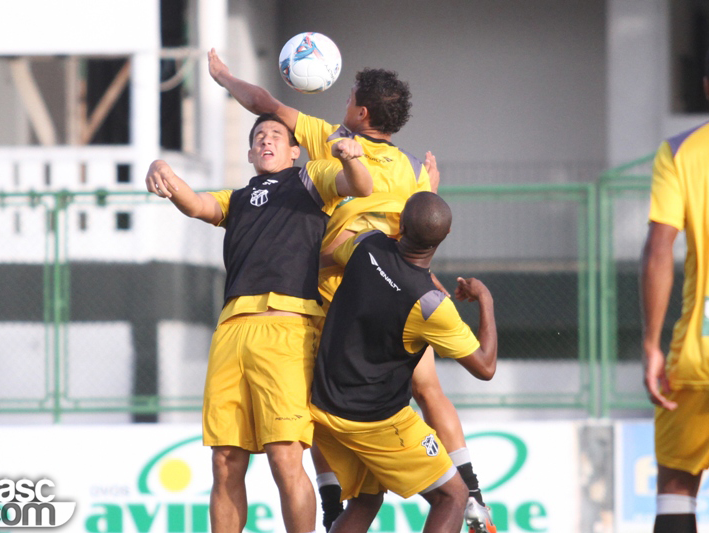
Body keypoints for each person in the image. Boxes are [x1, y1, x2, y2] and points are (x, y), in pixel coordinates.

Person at [208, 50, 495, 533]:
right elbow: (420, 235)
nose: (343, 100)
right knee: (427, 387)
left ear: (361, 113)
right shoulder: (408, 167)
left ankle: (331, 504)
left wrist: (224, 77)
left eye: (350, 97)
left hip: (337, 285)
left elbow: (263, 101)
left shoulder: (329, 137)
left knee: (319, 399)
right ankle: (472, 496)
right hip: (399, 290)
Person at [146, 113, 373, 533]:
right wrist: (162, 170)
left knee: (285, 454)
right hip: (231, 330)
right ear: (250, 152)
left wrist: (350, 157)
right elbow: (195, 203)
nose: (266, 140)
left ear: (293, 150)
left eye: (276, 135)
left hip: (286, 330)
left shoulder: (310, 179)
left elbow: (360, 186)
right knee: (225, 460)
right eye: (258, 137)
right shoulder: (236, 198)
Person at [310, 192, 498, 533]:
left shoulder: (366, 246)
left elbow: (328, 258)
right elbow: (485, 367)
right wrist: (485, 297)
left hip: (323, 404)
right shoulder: (431, 307)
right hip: (374, 420)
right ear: (445, 238)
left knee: (366, 500)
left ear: (401, 224)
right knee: (454, 497)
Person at [640, 40, 709, 533]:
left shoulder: (680, 151)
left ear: (707, 87)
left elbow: (658, 248)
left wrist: (650, 346)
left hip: (698, 352)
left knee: (675, 484)